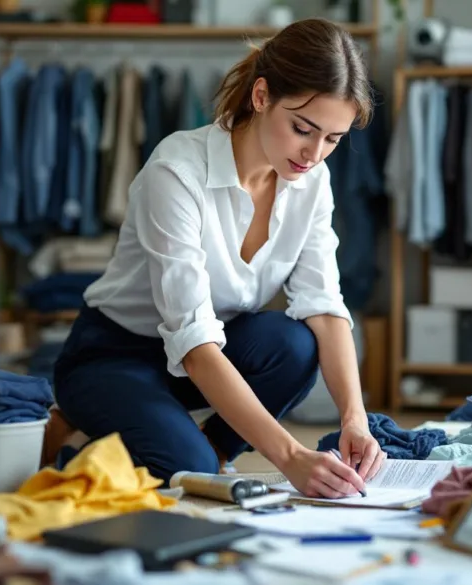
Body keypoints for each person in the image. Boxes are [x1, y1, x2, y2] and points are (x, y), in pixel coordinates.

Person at [53, 18, 386, 499]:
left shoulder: (309, 181)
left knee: (294, 345)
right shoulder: (176, 171)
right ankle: (80, 435)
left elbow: (324, 305)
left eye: (333, 139)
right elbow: (193, 342)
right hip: (115, 355)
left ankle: (203, 450)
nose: (314, 154)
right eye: (302, 128)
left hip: (201, 361)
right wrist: (290, 456)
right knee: (188, 469)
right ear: (261, 96)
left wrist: (356, 418)